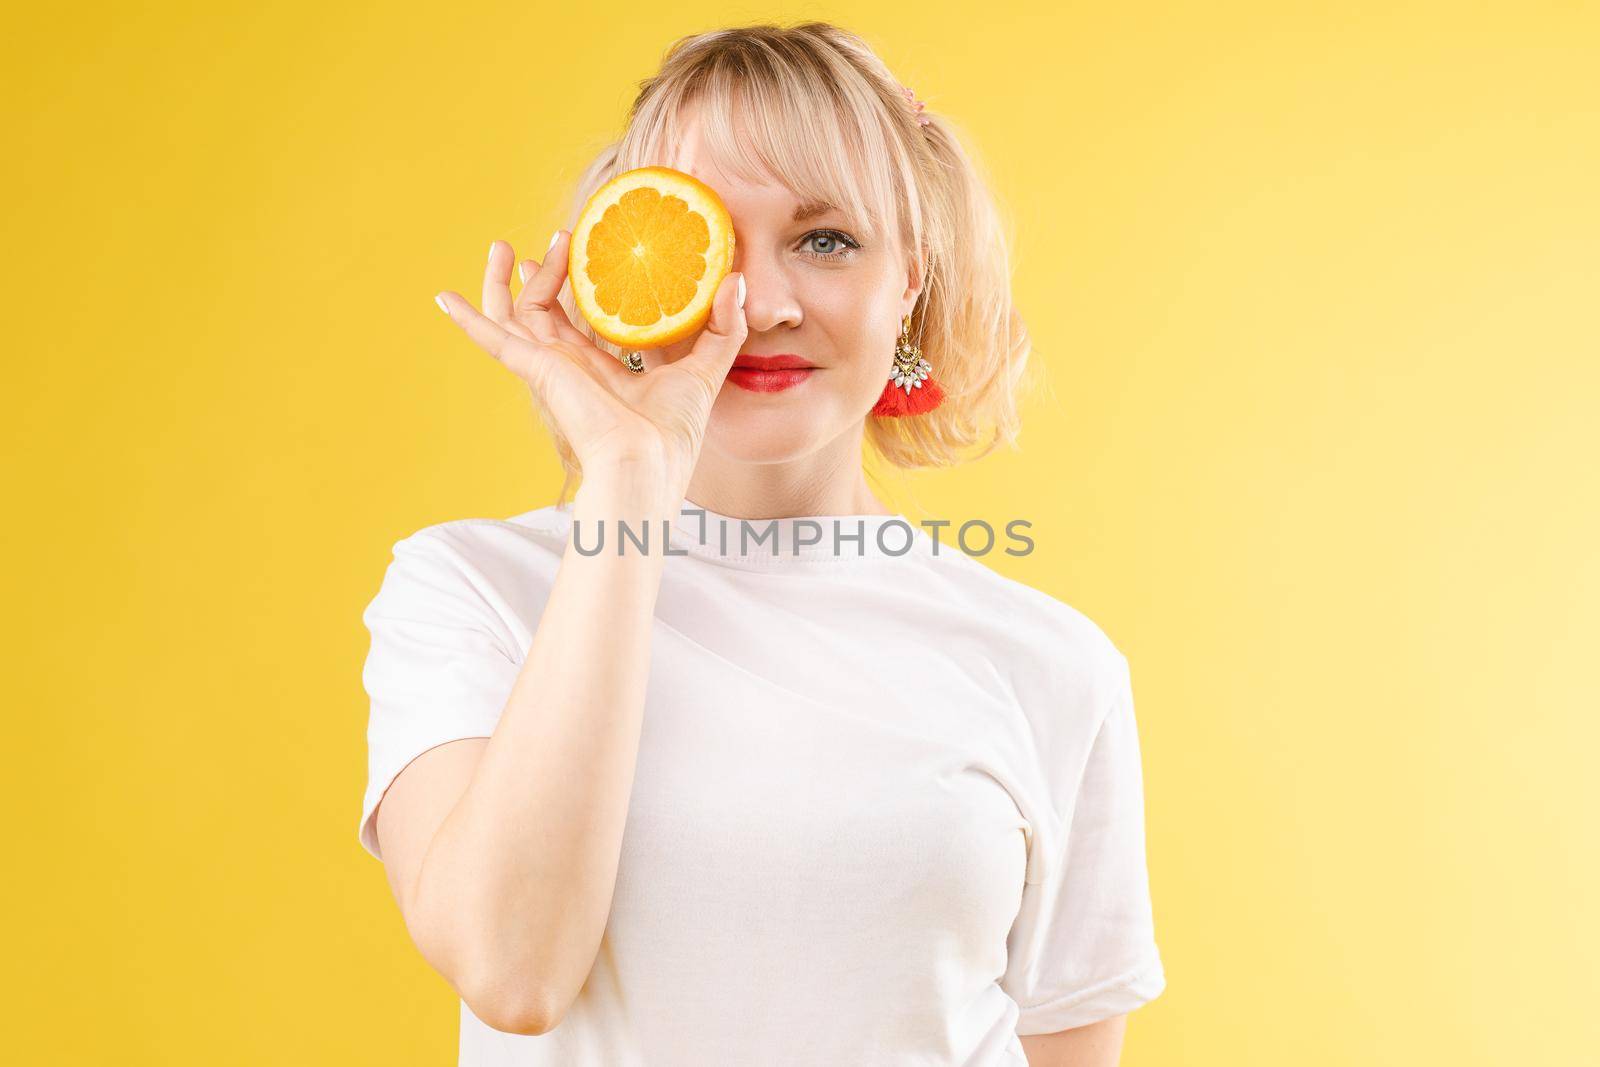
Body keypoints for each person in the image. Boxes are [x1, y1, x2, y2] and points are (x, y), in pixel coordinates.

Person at [358, 20, 1165, 1067]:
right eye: (710, 239)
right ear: (625, 261)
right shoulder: (473, 589)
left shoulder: (1054, 666)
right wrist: (628, 481)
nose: (765, 305)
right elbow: (515, 970)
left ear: (908, 280)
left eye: (825, 240)